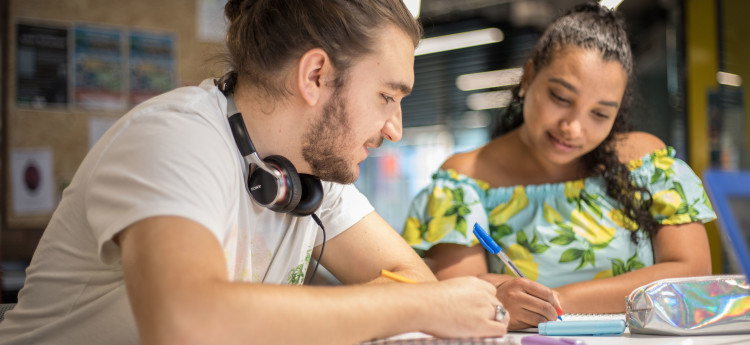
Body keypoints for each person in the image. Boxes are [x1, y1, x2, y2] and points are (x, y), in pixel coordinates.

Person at [0, 1, 510, 344]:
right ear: (315, 76)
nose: (395, 127)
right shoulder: (175, 139)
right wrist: (401, 305)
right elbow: (186, 321)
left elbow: (415, 285)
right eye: (387, 96)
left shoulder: (310, 180)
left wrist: (417, 303)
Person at [401, 2, 715, 330]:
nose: (573, 128)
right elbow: (462, 300)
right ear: (529, 76)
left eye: (600, 114)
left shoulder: (646, 162)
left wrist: (550, 300)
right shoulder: (464, 178)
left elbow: (691, 274)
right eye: (561, 98)